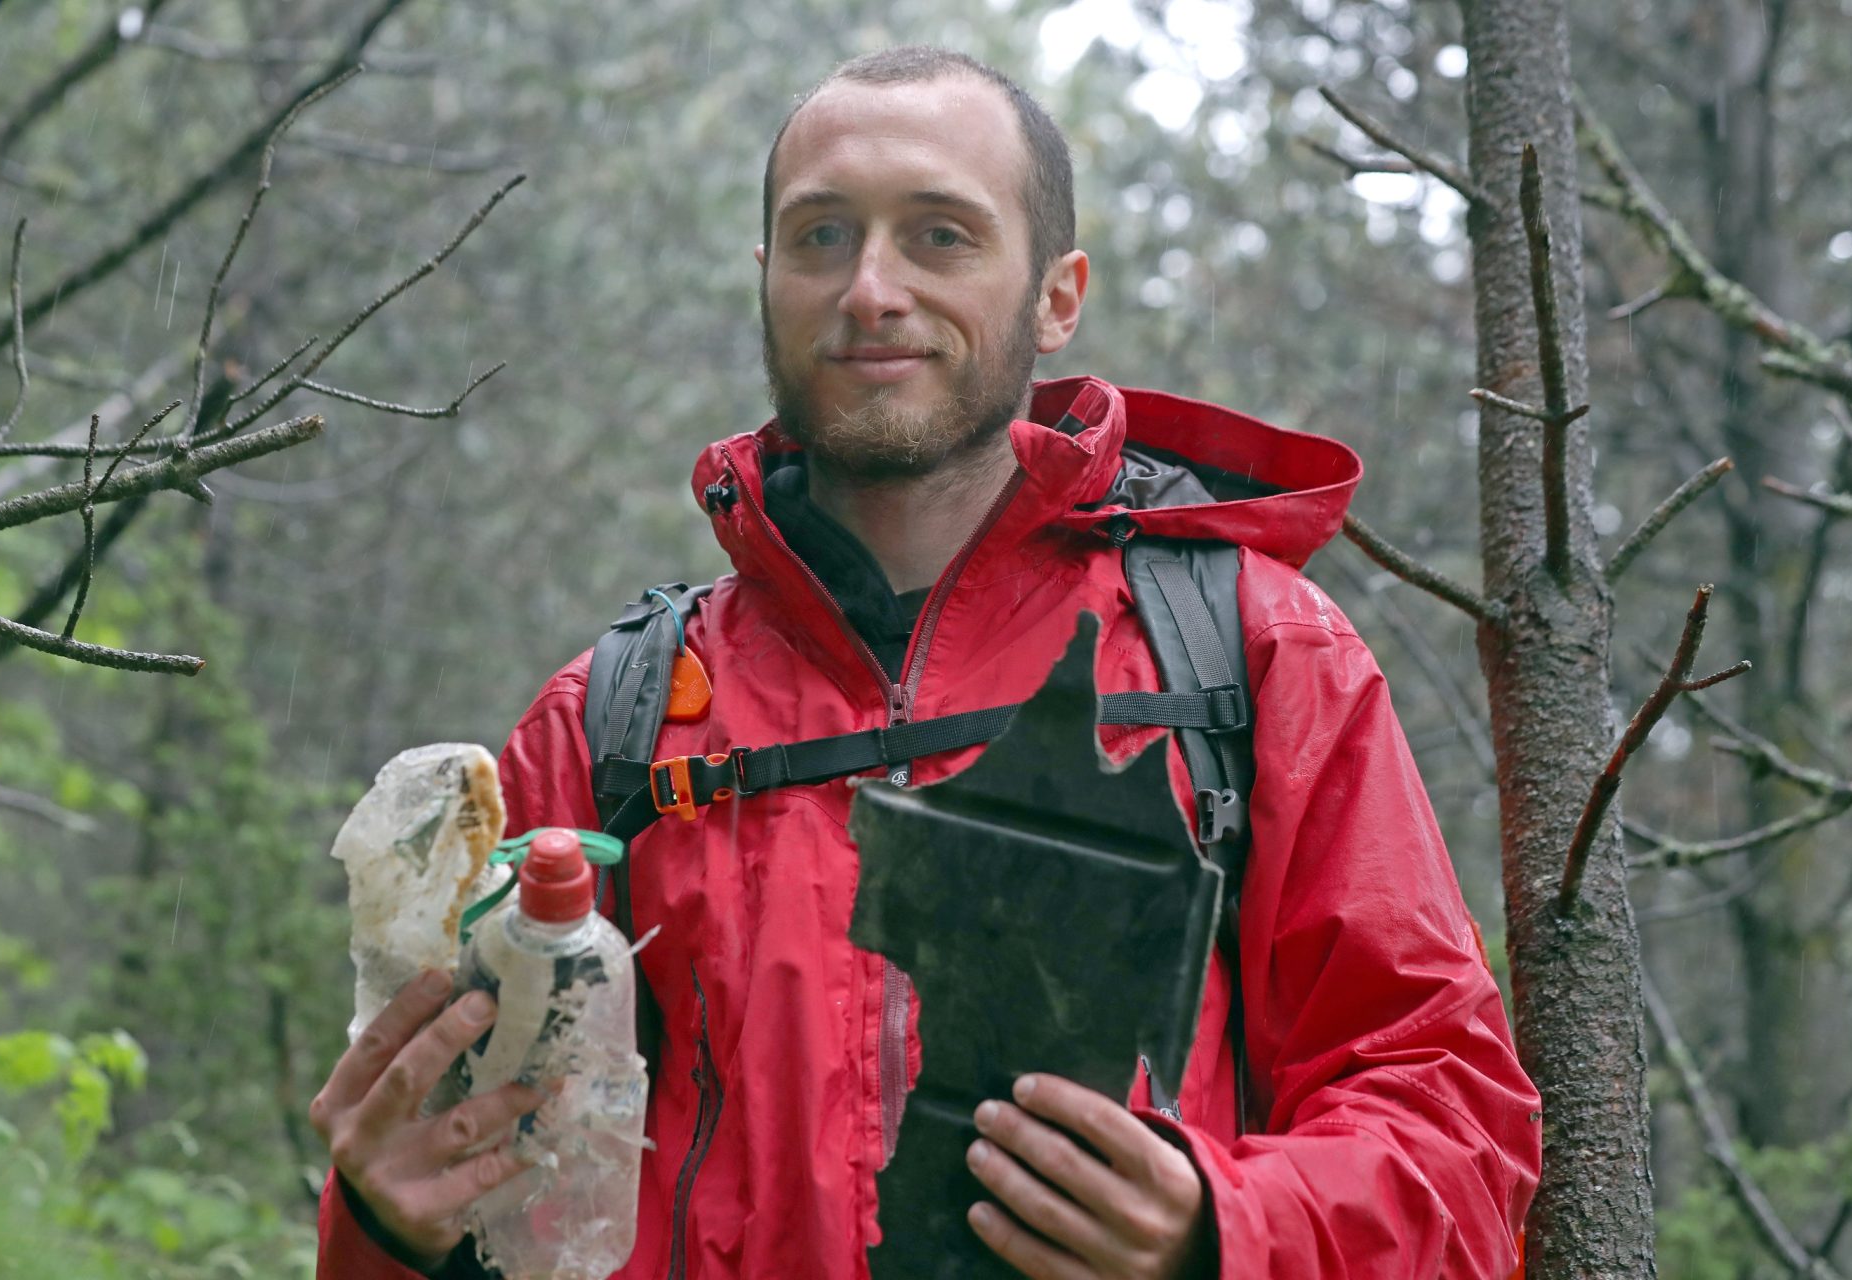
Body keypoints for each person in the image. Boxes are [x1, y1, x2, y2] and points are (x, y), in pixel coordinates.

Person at [311, 46, 1541, 1280]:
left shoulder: (1254, 655)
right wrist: (386, 1230)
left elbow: (1458, 1133)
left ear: (1057, 297)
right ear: (766, 279)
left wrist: (1223, 1227)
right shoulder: (611, 724)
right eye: (822, 236)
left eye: (941, 236)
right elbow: (501, 1203)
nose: (870, 289)